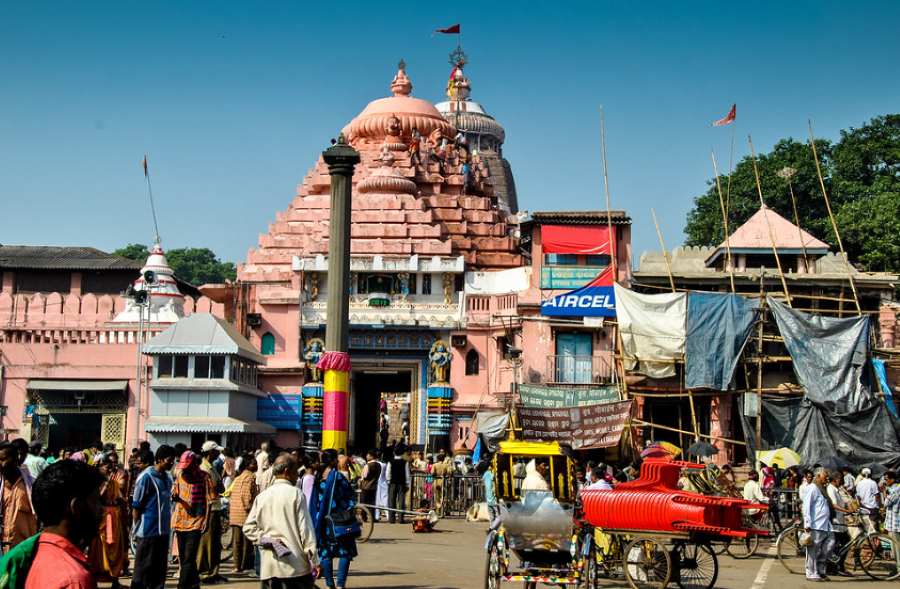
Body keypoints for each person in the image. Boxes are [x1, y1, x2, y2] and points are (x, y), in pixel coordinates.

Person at [23, 460, 104, 589]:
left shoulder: (29, 555)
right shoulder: (74, 579)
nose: (101, 509)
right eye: (96, 501)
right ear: (76, 507)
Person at [243, 454, 319, 589]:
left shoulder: (262, 496)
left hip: (269, 567)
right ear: (286, 471)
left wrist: (265, 539)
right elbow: (306, 530)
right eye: (295, 470)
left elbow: (248, 527)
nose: (297, 474)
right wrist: (315, 560)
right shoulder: (296, 494)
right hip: (295, 567)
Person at [131, 444, 177, 589]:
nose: (171, 463)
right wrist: (136, 528)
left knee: (159, 570)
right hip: (147, 532)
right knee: (144, 569)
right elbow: (136, 507)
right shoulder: (146, 477)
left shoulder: (168, 478)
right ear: (159, 459)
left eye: (173, 460)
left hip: (163, 531)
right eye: (169, 460)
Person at [312, 449, 358, 589]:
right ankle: (340, 584)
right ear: (333, 461)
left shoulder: (318, 477)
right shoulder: (338, 477)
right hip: (341, 521)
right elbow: (350, 496)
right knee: (345, 552)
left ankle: (329, 584)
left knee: (326, 553)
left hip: (324, 521)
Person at [171, 451, 215, 589]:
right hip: (180, 521)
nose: (185, 469)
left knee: (189, 557)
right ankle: (194, 584)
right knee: (184, 557)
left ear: (194, 464)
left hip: (196, 521)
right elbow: (175, 494)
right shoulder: (179, 475)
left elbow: (209, 501)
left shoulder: (204, 477)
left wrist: (206, 521)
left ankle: (182, 586)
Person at [87, 458, 129, 588]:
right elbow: (97, 498)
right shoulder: (95, 482)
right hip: (101, 517)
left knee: (116, 548)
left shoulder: (114, 482)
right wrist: (105, 484)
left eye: (110, 466)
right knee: (99, 547)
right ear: (99, 467)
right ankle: (94, 579)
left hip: (115, 517)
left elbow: (119, 498)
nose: (109, 468)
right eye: (106, 466)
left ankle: (115, 580)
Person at [0, 441, 38, 550]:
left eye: (3, 459)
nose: (0, 463)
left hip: (23, 548)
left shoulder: (31, 485)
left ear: (16, 460)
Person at [197, 441, 225, 584]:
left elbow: (220, 487)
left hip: (216, 507)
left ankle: (214, 572)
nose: (218, 454)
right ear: (210, 453)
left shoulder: (212, 467)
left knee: (215, 543)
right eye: (216, 452)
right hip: (209, 509)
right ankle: (205, 572)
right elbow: (213, 488)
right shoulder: (203, 468)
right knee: (207, 542)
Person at [802, 468, 835, 582]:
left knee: (830, 545)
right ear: (818, 476)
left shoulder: (822, 488)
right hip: (815, 524)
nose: (826, 478)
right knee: (813, 550)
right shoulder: (812, 488)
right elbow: (806, 506)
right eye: (824, 476)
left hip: (825, 524)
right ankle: (811, 572)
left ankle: (821, 570)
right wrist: (807, 523)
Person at [229, 455, 258, 574]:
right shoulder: (249, 477)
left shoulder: (239, 477)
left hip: (235, 513)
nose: (256, 465)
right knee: (246, 542)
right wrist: (252, 510)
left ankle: (238, 565)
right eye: (254, 463)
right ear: (248, 465)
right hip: (244, 514)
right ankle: (244, 565)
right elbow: (246, 497)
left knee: (237, 542)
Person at [826, 472, 853, 576]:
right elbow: (834, 505)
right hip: (835, 522)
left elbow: (843, 502)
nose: (841, 481)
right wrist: (846, 511)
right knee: (843, 543)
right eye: (840, 479)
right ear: (835, 479)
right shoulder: (831, 489)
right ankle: (838, 566)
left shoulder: (837, 490)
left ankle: (833, 567)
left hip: (840, 521)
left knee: (840, 545)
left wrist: (848, 509)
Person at [882, 470, 900, 576]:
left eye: (886, 479)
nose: (885, 481)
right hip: (893, 523)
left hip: (895, 524)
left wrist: (885, 493)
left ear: (892, 479)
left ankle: (898, 570)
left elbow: (886, 503)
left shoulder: (896, 490)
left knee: (896, 548)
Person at [386, 445, 410, 524]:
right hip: (402, 483)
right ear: (402, 453)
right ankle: (400, 518)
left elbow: (388, 473)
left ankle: (391, 519)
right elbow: (407, 474)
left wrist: (388, 481)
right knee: (401, 501)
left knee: (391, 500)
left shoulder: (390, 461)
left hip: (392, 482)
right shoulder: (405, 462)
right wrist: (407, 483)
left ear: (394, 452)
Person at [856, 467, 881, 534]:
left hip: (863, 508)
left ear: (862, 475)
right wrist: (879, 506)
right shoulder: (873, 483)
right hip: (872, 509)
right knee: (874, 528)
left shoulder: (859, 483)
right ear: (870, 474)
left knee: (867, 528)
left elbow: (858, 497)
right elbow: (877, 496)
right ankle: (875, 542)